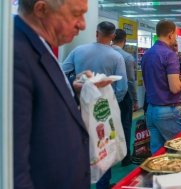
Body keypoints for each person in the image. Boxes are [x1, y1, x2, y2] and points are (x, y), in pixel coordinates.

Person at [13, 0, 108, 189]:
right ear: (41, 9)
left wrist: (73, 87)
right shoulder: (16, 54)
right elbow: (13, 163)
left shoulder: (41, 44)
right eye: (76, 14)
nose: (83, 24)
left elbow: (40, 97)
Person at [62, 21, 128, 189]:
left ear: (96, 33)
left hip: (80, 106)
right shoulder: (116, 56)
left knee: (80, 146)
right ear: (113, 36)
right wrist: (112, 103)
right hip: (104, 111)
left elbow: (62, 71)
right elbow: (123, 87)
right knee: (104, 146)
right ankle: (102, 184)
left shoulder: (79, 51)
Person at [141, 20, 181, 153]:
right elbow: (175, 88)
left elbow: (146, 83)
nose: (175, 38)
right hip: (169, 110)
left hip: (151, 110)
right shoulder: (169, 54)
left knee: (158, 153)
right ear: (170, 34)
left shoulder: (147, 54)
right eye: (175, 35)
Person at [111, 28, 138, 166]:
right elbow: (130, 81)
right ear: (125, 40)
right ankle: (125, 157)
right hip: (123, 96)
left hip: (104, 96)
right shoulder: (127, 57)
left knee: (107, 128)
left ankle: (109, 156)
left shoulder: (105, 53)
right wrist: (135, 100)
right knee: (125, 126)